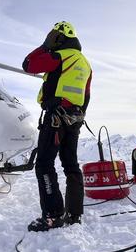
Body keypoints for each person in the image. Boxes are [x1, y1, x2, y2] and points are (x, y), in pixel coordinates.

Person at [22, 21, 92, 232]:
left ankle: (53, 215)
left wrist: (44, 46)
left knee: (44, 164)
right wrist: (77, 116)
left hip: (56, 117)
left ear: (58, 38)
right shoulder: (85, 63)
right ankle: (74, 214)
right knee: (70, 165)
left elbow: (28, 65)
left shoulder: (61, 56)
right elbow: (86, 95)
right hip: (74, 119)